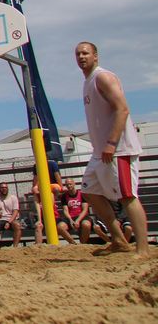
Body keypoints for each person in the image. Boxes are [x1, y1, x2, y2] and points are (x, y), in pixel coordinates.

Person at [75, 42, 150, 258]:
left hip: (119, 149)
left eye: (85, 53)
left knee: (128, 196)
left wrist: (111, 143)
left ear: (95, 56)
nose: (81, 56)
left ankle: (143, 249)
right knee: (89, 191)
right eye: (78, 53)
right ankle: (118, 239)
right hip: (100, 152)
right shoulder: (87, 82)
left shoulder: (103, 77)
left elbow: (122, 109)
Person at [0, 183, 22, 248]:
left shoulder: (13, 197)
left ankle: (15, 247)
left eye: (5, 187)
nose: (4, 189)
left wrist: (9, 222)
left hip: (11, 219)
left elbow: (15, 211)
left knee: (17, 225)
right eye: (2, 188)